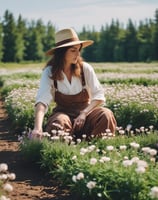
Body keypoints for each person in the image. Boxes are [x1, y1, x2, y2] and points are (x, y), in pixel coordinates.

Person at [31, 28, 117, 140]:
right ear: (62, 52)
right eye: (73, 50)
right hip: (62, 114)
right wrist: (37, 128)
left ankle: (97, 147)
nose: (78, 54)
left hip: (86, 113)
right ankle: (64, 151)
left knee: (106, 114)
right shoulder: (49, 72)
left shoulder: (85, 68)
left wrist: (84, 113)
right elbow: (42, 101)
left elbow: (99, 96)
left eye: (78, 50)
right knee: (59, 122)